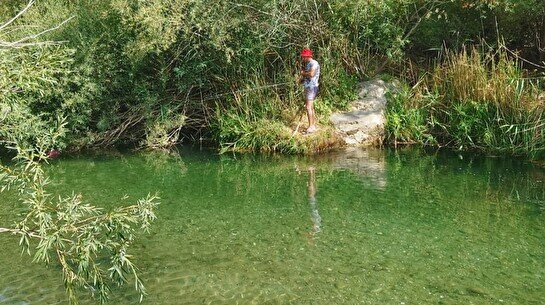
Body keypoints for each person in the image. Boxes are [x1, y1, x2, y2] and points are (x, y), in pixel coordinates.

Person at [300, 48, 320, 134]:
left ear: (308, 56)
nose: (303, 58)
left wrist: (303, 73)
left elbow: (311, 74)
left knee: (308, 107)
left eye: (304, 57)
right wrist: (302, 80)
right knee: (311, 107)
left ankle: (311, 127)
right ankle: (313, 125)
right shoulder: (308, 64)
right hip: (308, 87)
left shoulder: (314, 63)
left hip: (312, 88)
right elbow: (307, 76)